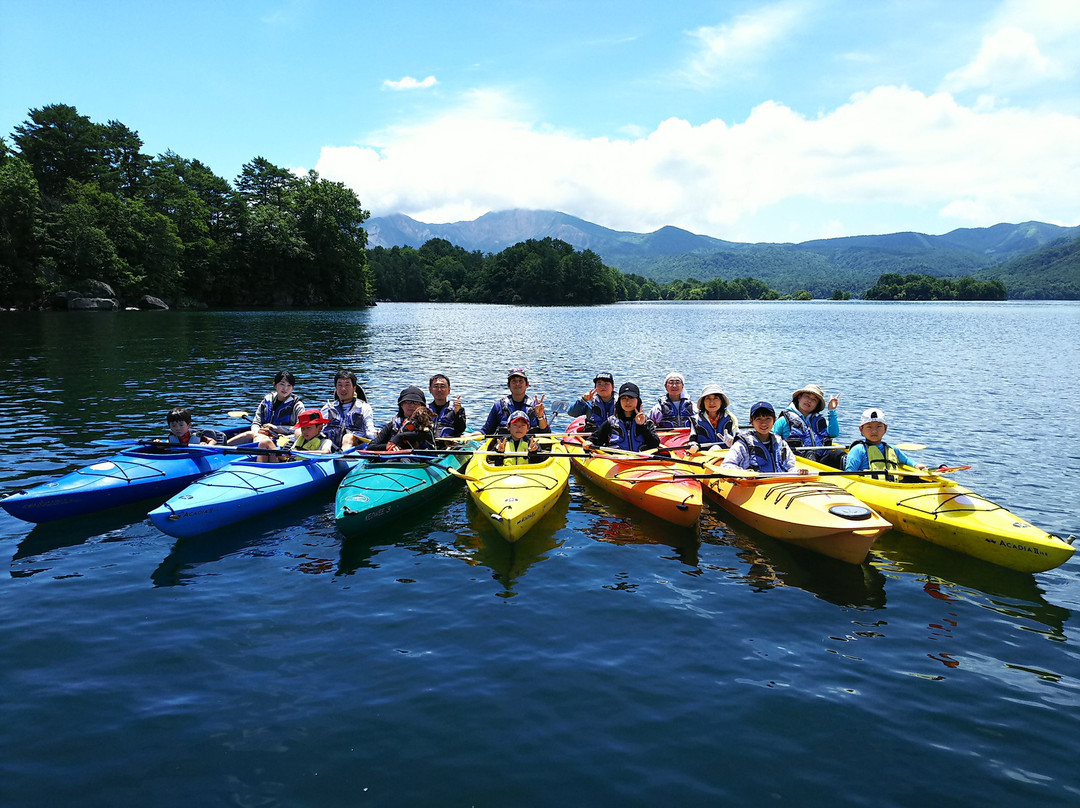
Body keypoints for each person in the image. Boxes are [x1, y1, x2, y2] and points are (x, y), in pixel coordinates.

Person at [721, 401, 806, 474]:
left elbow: (790, 466)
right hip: (752, 484)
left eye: (768, 419)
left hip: (778, 483)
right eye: (759, 419)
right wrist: (743, 473)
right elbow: (726, 465)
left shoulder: (781, 443)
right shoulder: (742, 444)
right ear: (751, 421)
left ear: (774, 420)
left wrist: (798, 471)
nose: (764, 423)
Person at [227, 370, 306, 446]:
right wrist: (258, 430)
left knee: (258, 437)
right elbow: (256, 423)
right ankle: (219, 446)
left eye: (289, 385)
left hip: (284, 438)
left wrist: (276, 428)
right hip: (264, 435)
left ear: (292, 388)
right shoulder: (266, 401)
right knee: (250, 434)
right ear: (275, 385)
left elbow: (300, 428)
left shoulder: (297, 405)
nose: (285, 388)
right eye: (282, 384)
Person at [773, 383, 841, 466]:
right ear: (799, 397)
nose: (809, 401)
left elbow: (834, 433)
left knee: (840, 455)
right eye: (807, 396)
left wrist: (832, 411)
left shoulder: (821, 422)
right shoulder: (783, 421)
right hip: (795, 463)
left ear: (817, 405)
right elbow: (771, 441)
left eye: (814, 400)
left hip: (820, 462)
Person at [581, 382, 660, 452]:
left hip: (642, 461)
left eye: (631, 398)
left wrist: (642, 426)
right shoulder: (611, 422)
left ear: (638, 400)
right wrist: (589, 442)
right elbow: (595, 438)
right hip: (618, 461)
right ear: (619, 401)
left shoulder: (646, 421)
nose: (627, 402)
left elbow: (655, 444)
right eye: (624, 398)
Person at [845, 408, 927, 475]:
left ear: (885, 428)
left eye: (878, 426)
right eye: (869, 427)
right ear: (861, 429)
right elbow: (849, 474)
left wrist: (916, 465)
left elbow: (906, 461)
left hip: (891, 485)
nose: (874, 431)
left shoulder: (893, 449)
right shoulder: (858, 450)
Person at [478, 368, 549, 435]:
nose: (517, 384)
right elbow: (486, 431)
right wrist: (471, 436)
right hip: (504, 446)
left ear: (527, 384)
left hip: (531, 446)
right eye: (514, 381)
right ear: (509, 385)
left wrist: (540, 417)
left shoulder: (536, 406)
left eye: (520, 381)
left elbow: (546, 433)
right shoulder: (499, 406)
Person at [369, 386, 438, 452]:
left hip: (420, 458)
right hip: (394, 458)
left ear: (421, 406)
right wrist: (391, 446)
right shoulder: (392, 425)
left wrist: (400, 437)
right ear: (401, 404)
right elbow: (371, 446)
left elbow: (424, 435)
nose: (412, 405)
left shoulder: (427, 425)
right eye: (408, 402)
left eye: (416, 402)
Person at [321, 370, 376, 450]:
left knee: (348, 438)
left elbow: (370, 431)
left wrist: (377, 438)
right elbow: (319, 429)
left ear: (354, 388)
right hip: (330, 446)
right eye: (340, 385)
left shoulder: (364, 407)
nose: (343, 389)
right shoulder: (328, 408)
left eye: (347, 385)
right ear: (336, 388)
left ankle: (343, 457)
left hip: (354, 446)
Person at [688, 384, 738, 451]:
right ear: (703, 402)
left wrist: (733, 441)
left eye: (716, 398)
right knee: (715, 448)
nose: (711, 402)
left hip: (727, 454)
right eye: (708, 398)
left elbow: (739, 438)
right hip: (705, 455)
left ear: (721, 401)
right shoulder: (695, 419)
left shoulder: (730, 418)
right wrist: (694, 445)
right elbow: (692, 439)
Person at [427, 374, 467, 438]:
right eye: (436, 386)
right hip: (429, 444)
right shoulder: (425, 410)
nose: (439, 390)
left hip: (449, 444)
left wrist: (457, 413)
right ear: (430, 389)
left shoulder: (456, 409)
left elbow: (461, 429)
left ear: (449, 390)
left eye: (443, 386)